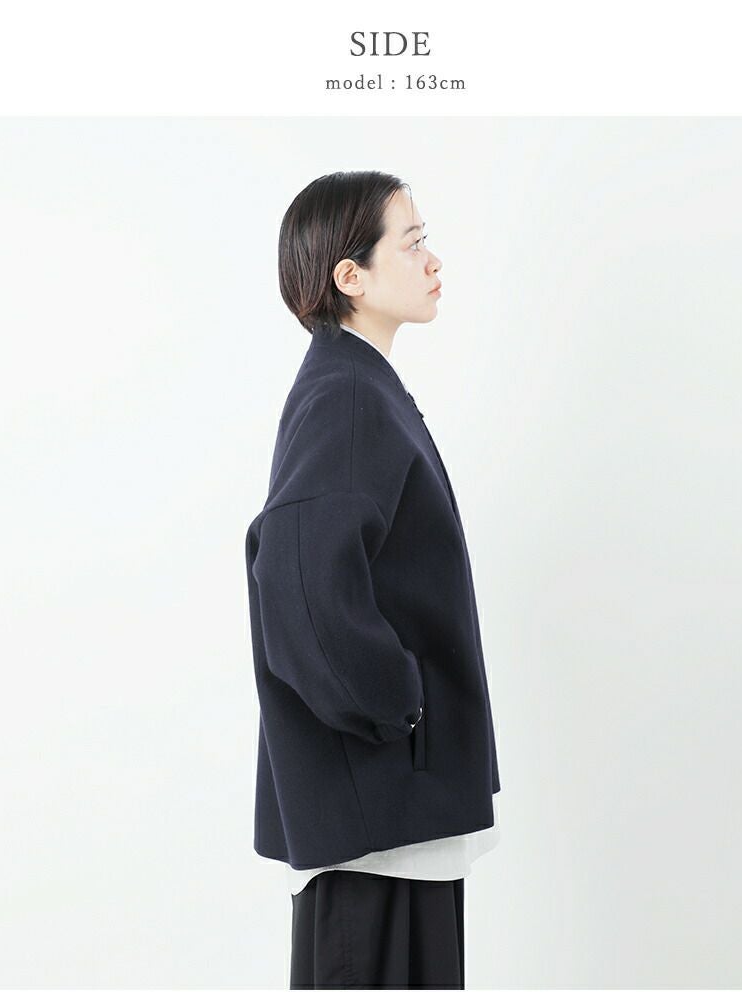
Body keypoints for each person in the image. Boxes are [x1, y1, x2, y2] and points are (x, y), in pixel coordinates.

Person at [244, 170, 502, 989]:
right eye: (413, 242)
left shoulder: (358, 387)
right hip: (377, 821)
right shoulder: (347, 397)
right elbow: (298, 584)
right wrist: (400, 707)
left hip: (392, 817)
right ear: (350, 276)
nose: (433, 260)